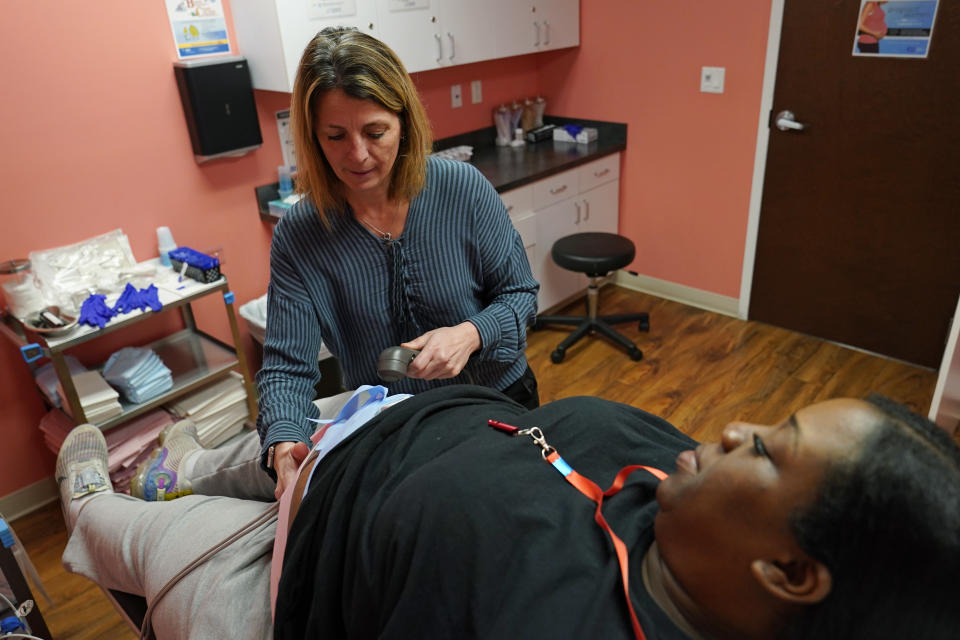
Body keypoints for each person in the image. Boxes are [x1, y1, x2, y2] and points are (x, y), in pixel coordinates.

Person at [59, 387, 960, 639]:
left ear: (791, 573)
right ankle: (167, 471)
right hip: (361, 426)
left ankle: (92, 488)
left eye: (769, 448)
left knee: (107, 522)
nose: (735, 428)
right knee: (210, 460)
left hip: (274, 576)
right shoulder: (688, 488)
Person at [256, 26, 540, 499]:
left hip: (498, 405)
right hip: (396, 431)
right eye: (335, 136)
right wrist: (284, 437)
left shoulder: (461, 189)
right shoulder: (299, 236)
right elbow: (287, 366)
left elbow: (520, 297)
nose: (358, 154)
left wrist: (470, 335)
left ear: (404, 121)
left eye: (375, 132)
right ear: (311, 137)